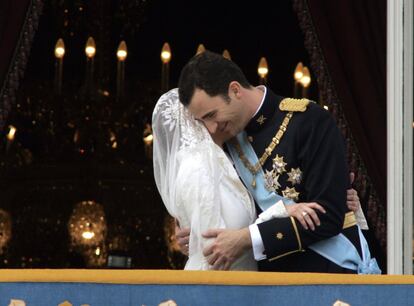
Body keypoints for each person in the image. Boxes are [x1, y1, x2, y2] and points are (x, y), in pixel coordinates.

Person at [176, 50, 380, 273]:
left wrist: (248, 238)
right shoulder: (225, 144)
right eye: (202, 121)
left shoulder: (309, 121)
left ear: (235, 90)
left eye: (211, 115)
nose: (211, 128)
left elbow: (329, 215)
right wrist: (197, 232)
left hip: (326, 276)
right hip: (262, 286)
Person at [152, 88, 326, 270]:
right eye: (210, 113)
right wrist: (282, 212)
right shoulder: (197, 167)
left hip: (242, 280)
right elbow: (216, 247)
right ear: (195, 122)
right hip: (216, 285)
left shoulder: (222, 157)